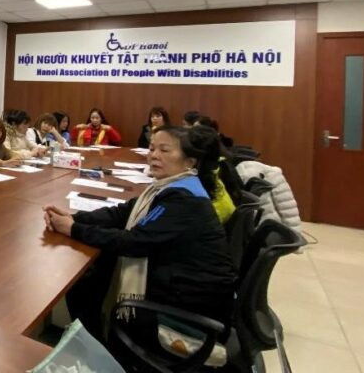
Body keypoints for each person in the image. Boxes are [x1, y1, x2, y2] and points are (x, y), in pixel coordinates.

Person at [42, 125, 234, 345]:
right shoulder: (170, 187)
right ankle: (93, 340)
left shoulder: (185, 200)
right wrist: (74, 218)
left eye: (164, 150)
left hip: (186, 308)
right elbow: (121, 212)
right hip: (177, 284)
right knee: (94, 274)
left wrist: (72, 229)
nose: (154, 155)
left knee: (88, 283)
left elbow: (134, 242)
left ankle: (101, 350)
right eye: (152, 148)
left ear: (190, 161)